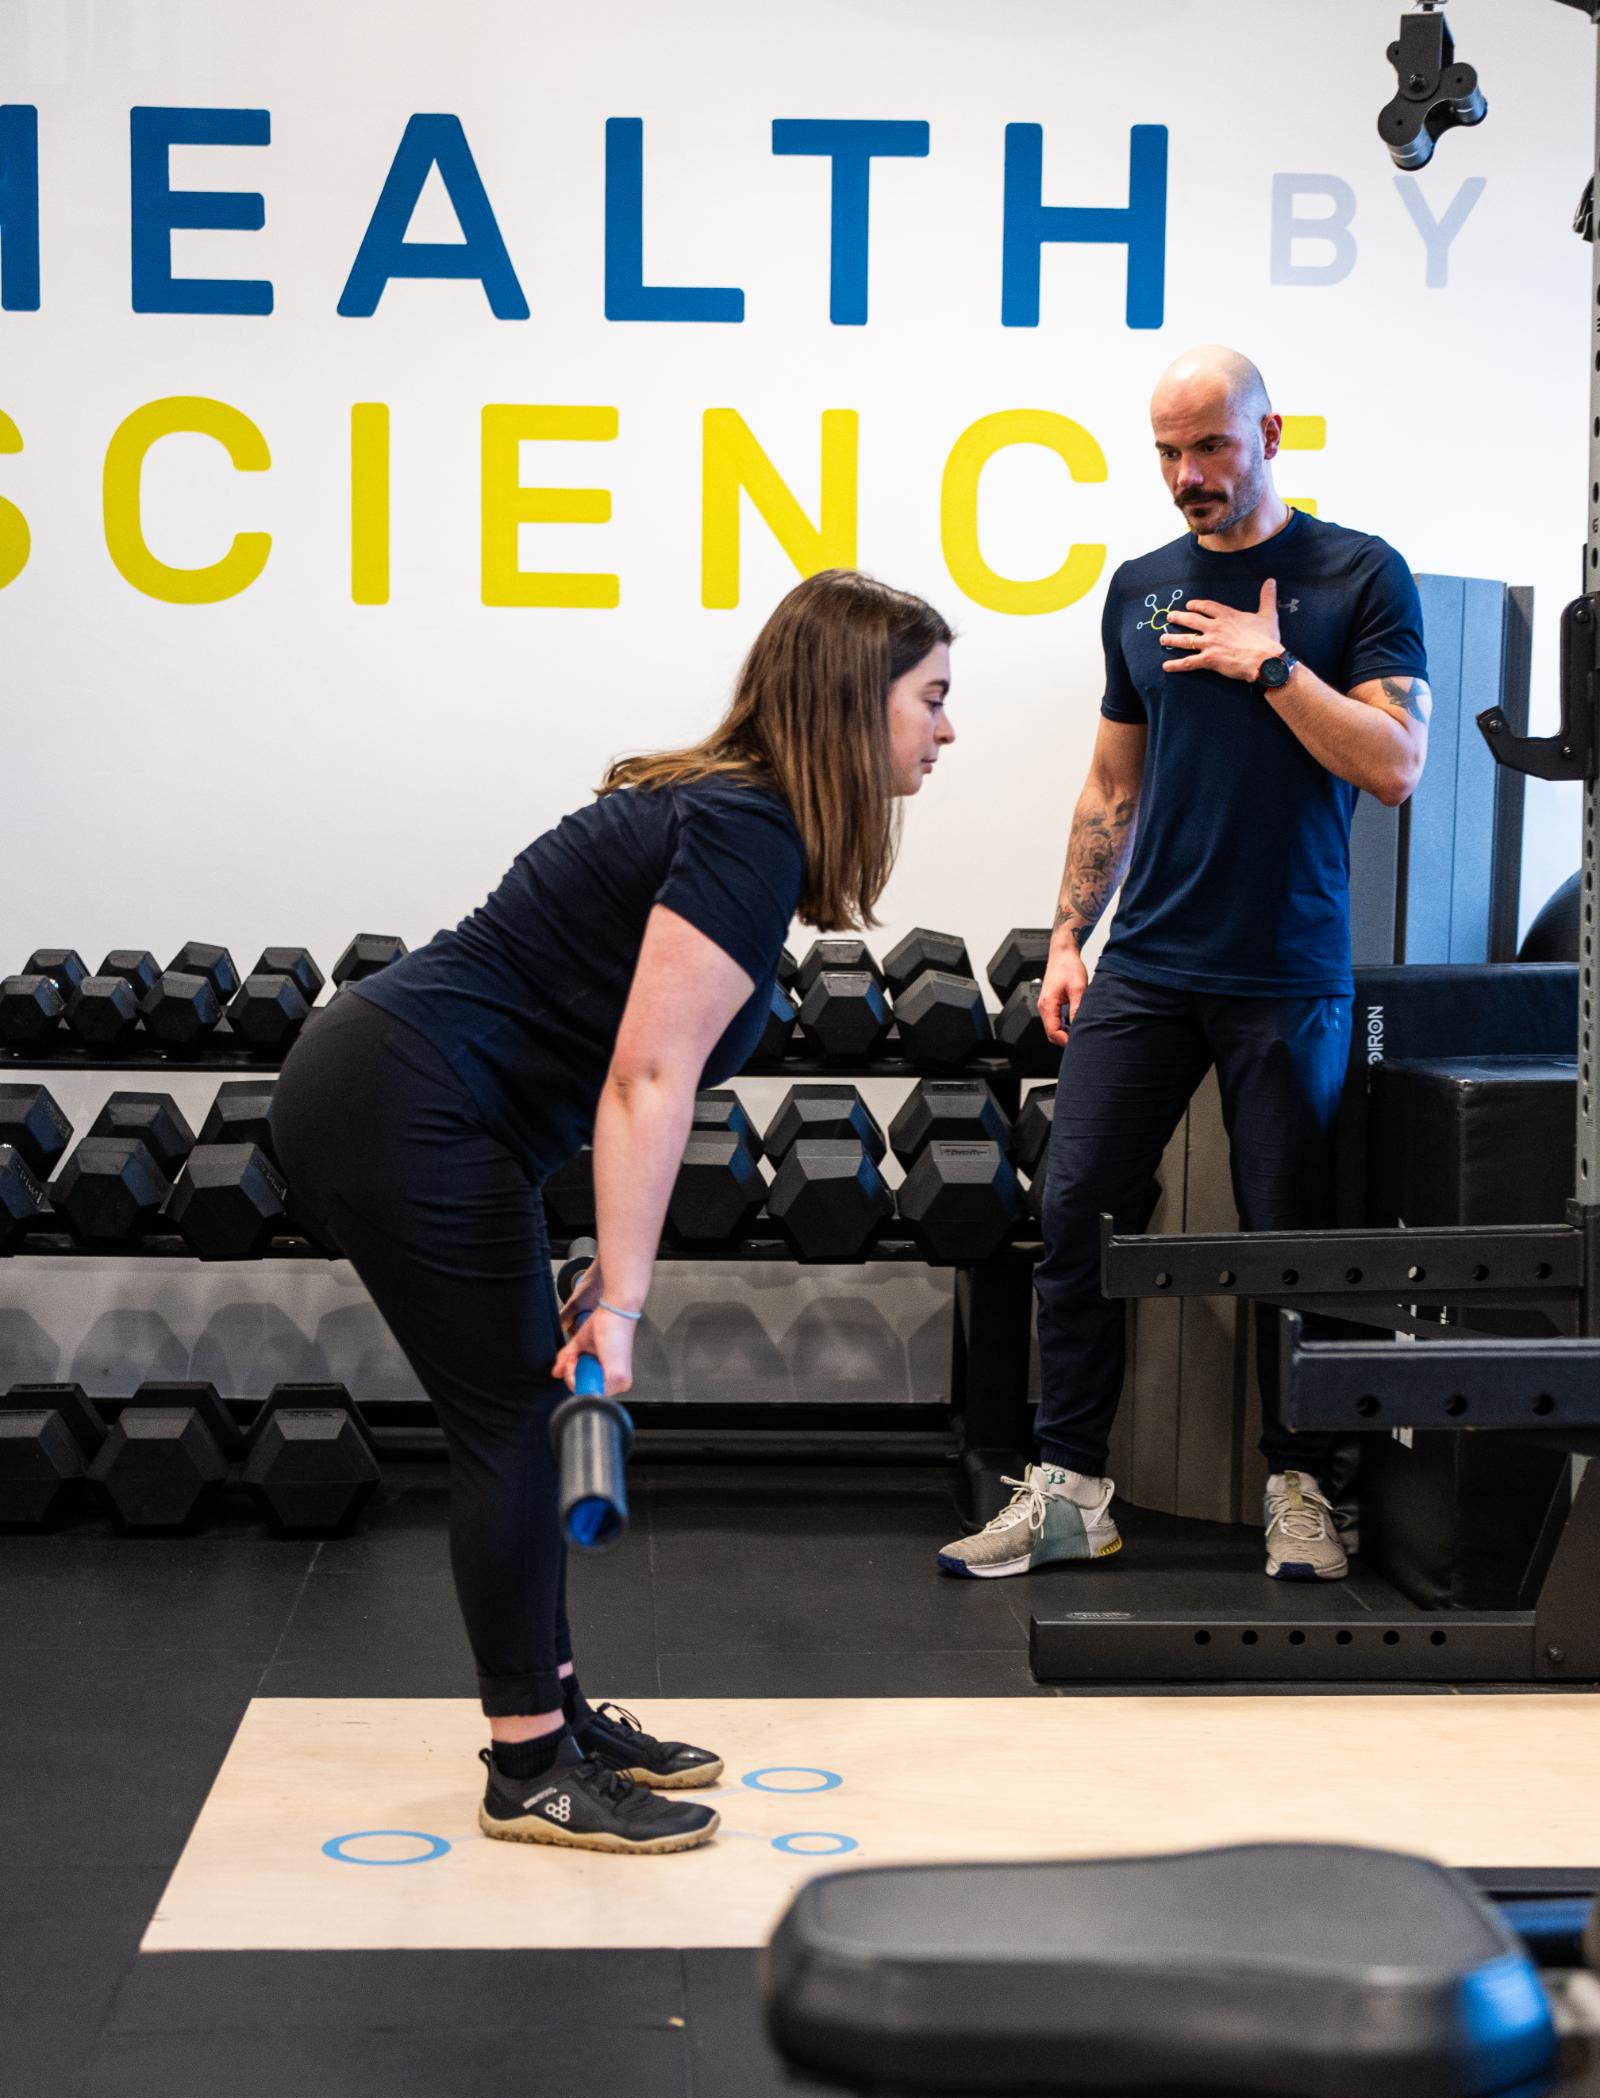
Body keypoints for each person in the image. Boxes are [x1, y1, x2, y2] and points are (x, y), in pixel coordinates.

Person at [271, 570, 955, 1854]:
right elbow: (647, 1073)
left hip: (426, 1105)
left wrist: (603, 1254)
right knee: (518, 1425)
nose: (945, 729)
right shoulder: (749, 829)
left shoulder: (740, 822)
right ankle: (527, 1761)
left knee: (521, 1411)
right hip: (398, 1102)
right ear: (853, 706)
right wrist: (627, 1301)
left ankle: (559, 1714)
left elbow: (611, 1060)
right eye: (929, 699)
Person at [938, 345, 1430, 1586]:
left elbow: (1395, 763)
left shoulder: (1357, 572)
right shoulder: (1139, 589)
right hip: (1146, 965)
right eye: (1165, 452)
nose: (1186, 475)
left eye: (1210, 446)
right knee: (1074, 1216)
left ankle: (1303, 1487)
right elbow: (1113, 781)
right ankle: (1069, 1490)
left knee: (1290, 1241)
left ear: (1271, 433)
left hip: (1285, 967)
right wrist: (1065, 936)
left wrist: (1271, 667)